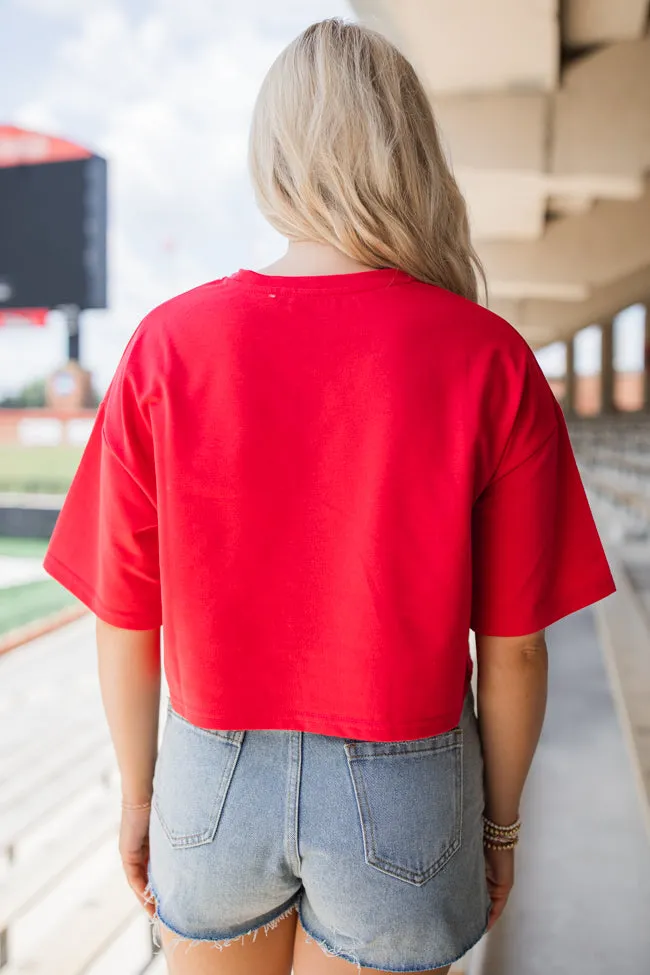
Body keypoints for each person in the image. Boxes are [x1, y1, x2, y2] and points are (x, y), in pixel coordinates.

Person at [43, 16, 617, 975]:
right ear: (412, 157)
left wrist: (141, 796)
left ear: (275, 159)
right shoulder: (491, 360)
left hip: (210, 778)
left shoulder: (166, 348)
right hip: (407, 788)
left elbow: (124, 618)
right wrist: (502, 826)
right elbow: (513, 650)